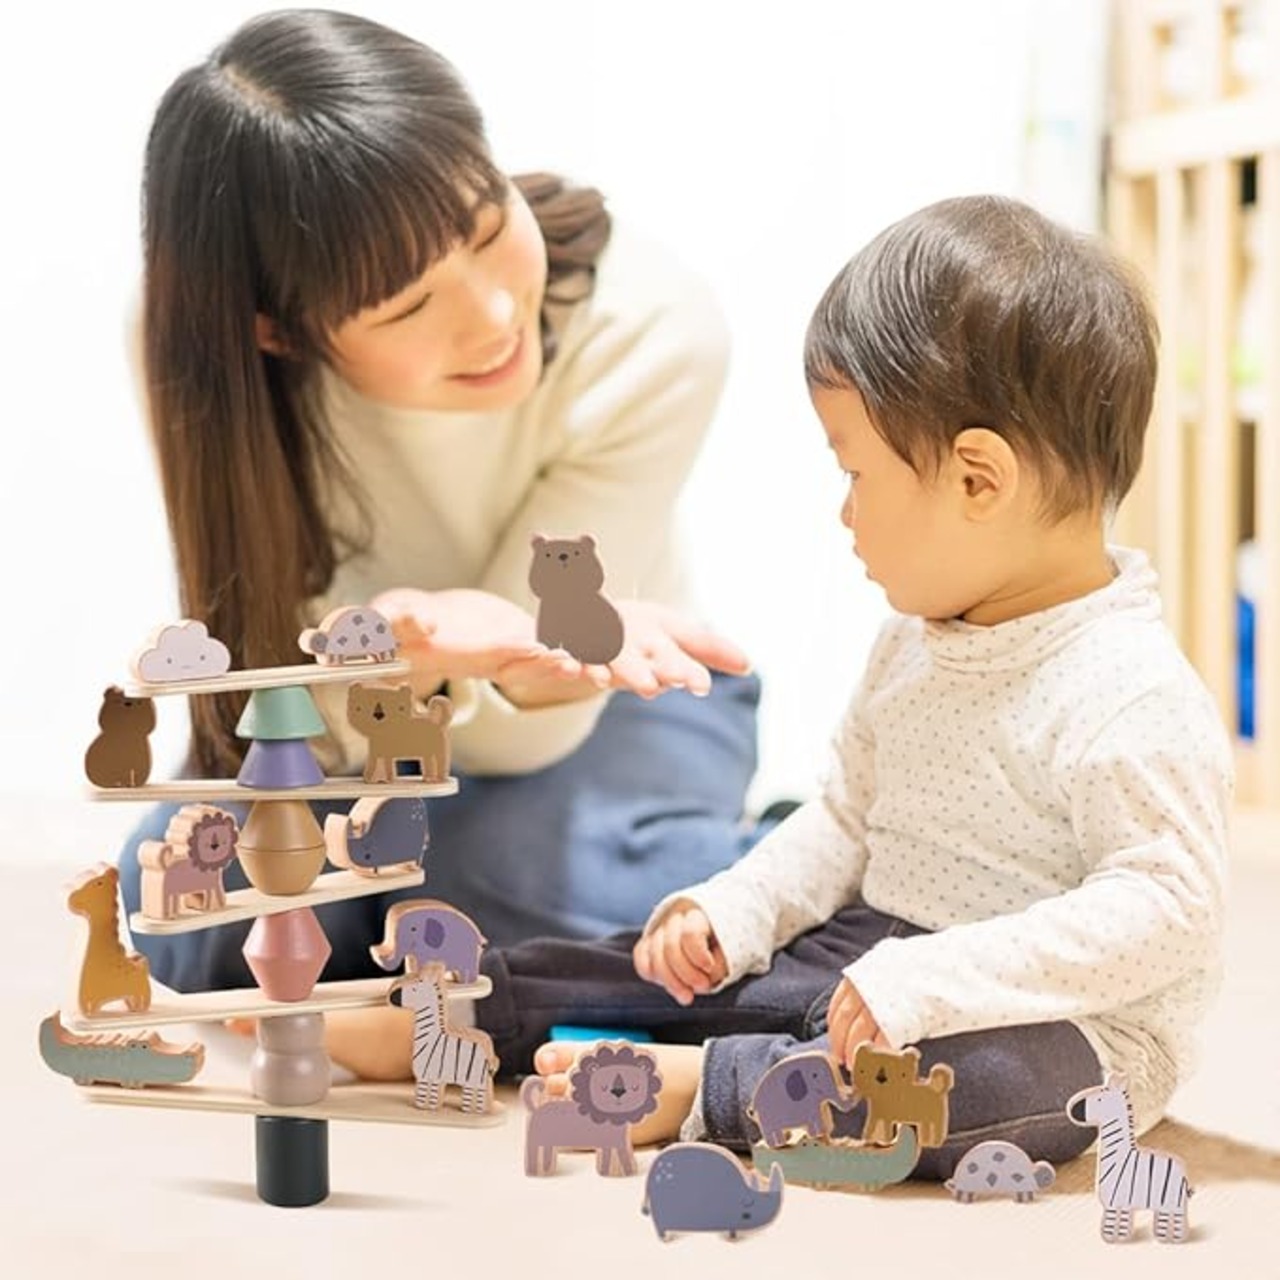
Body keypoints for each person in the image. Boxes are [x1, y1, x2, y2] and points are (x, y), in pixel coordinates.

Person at [431, 193, 1230, 1178]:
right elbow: (845, 818)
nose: (843, 513)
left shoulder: (1128, 690)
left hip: (1051, 1020)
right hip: (871, 954)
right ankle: (471, 1014)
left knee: (967, 1090)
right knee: (650, 961)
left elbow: (1167, 909)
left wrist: (933, 977)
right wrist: (735, 909)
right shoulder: (910, 646)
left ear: (978, 479)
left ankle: (707, 1084)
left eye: (855, 473)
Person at [115, 8, 767, 993]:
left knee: (487, 890)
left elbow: (535, 721)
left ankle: (789, 863)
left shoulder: (649, 328)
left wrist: (452, 655)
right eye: (409, 305)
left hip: (616, 698)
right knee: (183, 910)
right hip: (346, 715)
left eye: (489, 227)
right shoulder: (198, 353)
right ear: (276, 333)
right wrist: (405, 659)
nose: (494, 315)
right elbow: (262, 686)